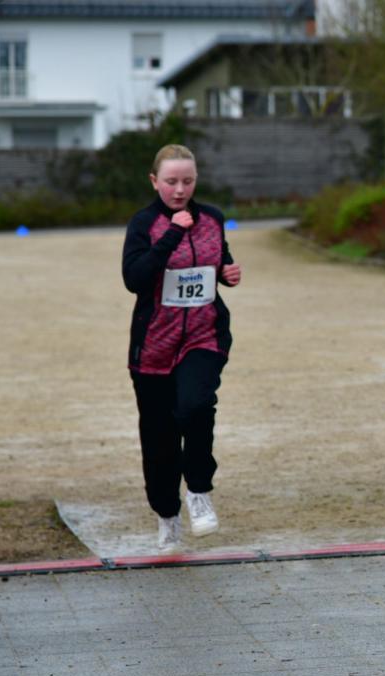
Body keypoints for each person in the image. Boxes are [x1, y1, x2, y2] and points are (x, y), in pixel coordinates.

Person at [122, 144, 242, 550]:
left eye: (187, 181)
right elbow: (134, 278)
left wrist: (226, 273)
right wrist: (173, 232)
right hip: (154, 346)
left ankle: (199, 491)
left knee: (196, 406)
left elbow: (217, 260)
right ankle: (167, 515)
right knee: (160, 440)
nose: (179, 189)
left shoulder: (212, 218)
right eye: (171, 181)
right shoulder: (144, 224)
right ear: (154, 181)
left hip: (204, 335)